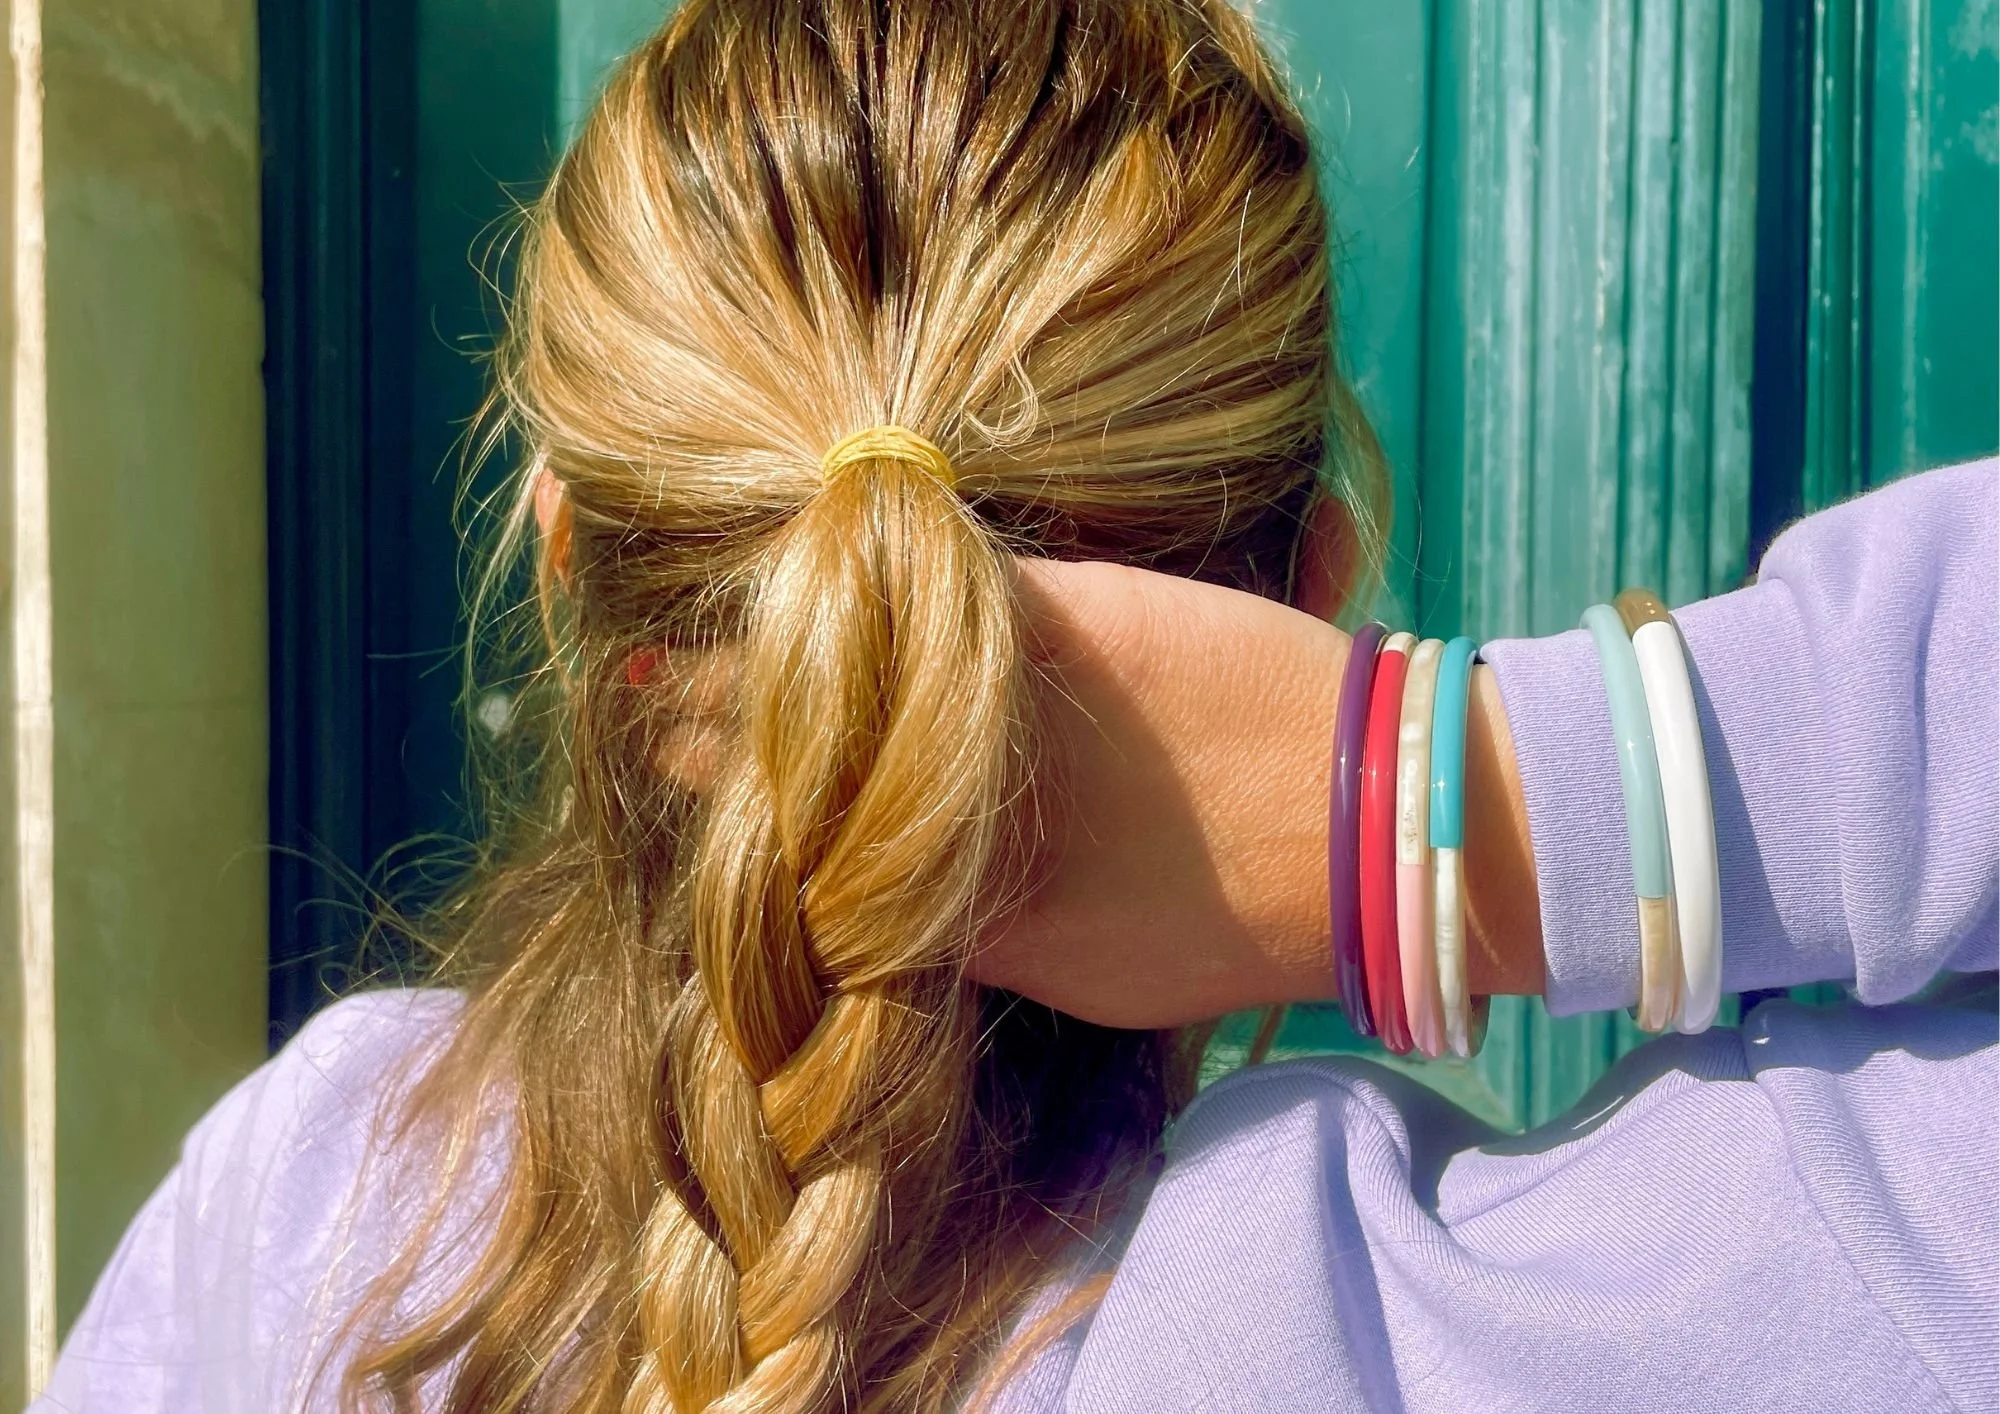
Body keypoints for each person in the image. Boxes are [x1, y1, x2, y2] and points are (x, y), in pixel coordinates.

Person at [35, 1, 1996, 1410]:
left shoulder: (312, 1198)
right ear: (1314, 583)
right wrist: (1444, 805)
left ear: (570, 570)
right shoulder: (1444, 1320)